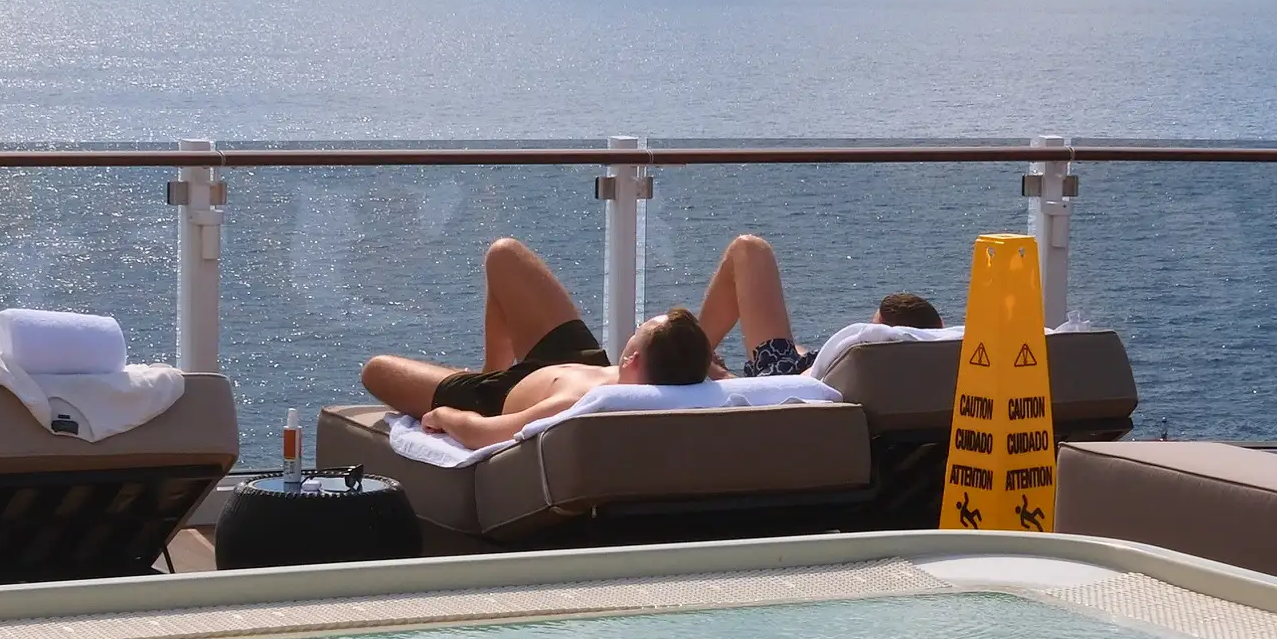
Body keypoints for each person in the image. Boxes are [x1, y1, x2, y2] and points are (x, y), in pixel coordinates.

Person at [361, 239, 719, 449]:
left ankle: (481, 378)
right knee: (504, 255)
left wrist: (445, 415)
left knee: (376, 371)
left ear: (634, 361)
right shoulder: (689, 380)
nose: (632, 333)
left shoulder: (574, 404)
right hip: (581, 360)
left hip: (501, 395)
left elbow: (486, 434)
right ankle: (490, 367)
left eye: (637, 332)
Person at [690, 232, 942, 378]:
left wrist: (714, 373)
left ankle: (685, 359)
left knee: (748, 250)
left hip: (783, 380)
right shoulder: (937, 372)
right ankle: (690, 354)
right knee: (749, 251)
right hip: (808, 367)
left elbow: (779, 393)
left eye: (871, 324)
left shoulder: (868, 372)